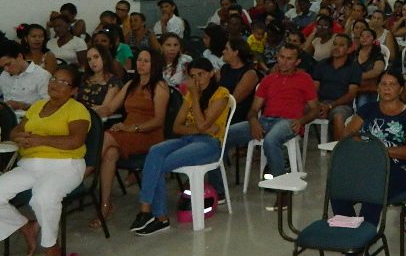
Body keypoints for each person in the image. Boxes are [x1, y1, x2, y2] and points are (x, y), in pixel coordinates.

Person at [0, 66, 90, 256]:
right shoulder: (37, 106)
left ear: (74, 90)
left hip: (65, 165)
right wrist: (18, 136)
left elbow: (75, 141)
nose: (55, 84)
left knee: (42, 198)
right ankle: (26, 226)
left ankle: (52, 248)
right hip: (30, 165)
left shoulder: (77, 109)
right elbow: (15, 131)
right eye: (54, 79)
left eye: (63, 82)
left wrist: (41, 140)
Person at [328, 70, 406, 256]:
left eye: (392, 84)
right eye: (383, 84)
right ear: (378, 87)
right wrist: (367, 150)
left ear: (401, 89)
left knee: (373, 191)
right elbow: (348, 134)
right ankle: (355, 244)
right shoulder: (369, 109)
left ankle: (354, 251)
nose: (387, 88)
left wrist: (379, 150)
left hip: (400, 167)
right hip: (368, 164)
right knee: (338, 190)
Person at [129, 58, 231, 236]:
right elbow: (177, 127)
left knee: (159, 165)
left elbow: (202, 124)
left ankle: (158, 216)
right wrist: (199, 128)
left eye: (201, 75)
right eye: (193, 76)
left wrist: (196, 99)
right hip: (188, 138)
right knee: (155, 151)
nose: (197, 80)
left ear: (211, 73)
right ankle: (147, 211)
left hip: (210, 143)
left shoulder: (221, 94)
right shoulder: (190, 95)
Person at [94, 49, 170, 227]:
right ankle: (105, 205)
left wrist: (132, 128)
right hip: (127, 132)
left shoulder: (160, 86)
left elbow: (159, 120)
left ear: (154, 64)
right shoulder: (130, 84)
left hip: (148, 134)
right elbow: (109, 108)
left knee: (105, 138)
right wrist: (87, 111)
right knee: (110, 153)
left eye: (146, 61)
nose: (141, 64)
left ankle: (82, 173)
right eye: (139, 60)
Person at [226, 44, 319, 179]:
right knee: (224, 135)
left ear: (297, 61)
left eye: (289, 59)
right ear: (277, 57)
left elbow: (315, 109)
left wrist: (301, 121)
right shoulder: (268, 79)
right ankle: (218, 184)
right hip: (265, 121)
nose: (284, 62)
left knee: (271, 140)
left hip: (289, 122)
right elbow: (253, 109)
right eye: (281, 57)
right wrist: (253, 121)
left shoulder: (305, 79)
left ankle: (279, 183)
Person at [0, 40, 51, 114]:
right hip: (5, 116)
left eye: (8, 64)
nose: (6, 69)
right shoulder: (4, 74)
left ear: (20, 57)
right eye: (2, 66)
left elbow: (49, 106)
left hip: (29, 117)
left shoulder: (42, 75)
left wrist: (24, 106)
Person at [75, 44, 123, 118]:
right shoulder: (84, 78)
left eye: (96, 57)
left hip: (97, 119)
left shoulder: (114, 81)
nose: (92, 61)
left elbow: (105, 108)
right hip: (76, 115)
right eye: (89, 59)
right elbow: (75, 100)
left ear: (105, 58)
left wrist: (82, 110)